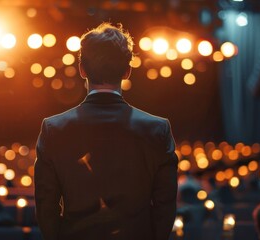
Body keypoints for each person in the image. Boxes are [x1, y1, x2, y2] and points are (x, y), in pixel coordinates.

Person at [34, 22, 178, 240]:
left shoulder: (54, 129)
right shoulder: (157, 130)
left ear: (82, 69)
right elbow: (165, 206)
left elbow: (46, 208)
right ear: (127, 71)